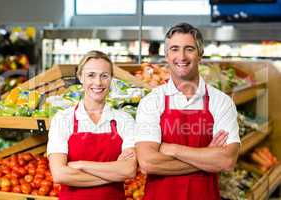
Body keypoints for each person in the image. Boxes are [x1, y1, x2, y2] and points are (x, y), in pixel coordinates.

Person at [135, 23, 240, 200]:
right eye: (174, 49)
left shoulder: (221, 101)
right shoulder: (151, 101)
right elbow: (147, 163)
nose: (181, 56)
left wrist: (173, 149)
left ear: (200, 54)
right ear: (167, 55)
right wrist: (206, 156)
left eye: (189, 49)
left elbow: (227, 161)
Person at [47, 50, 137, 200]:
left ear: (111, 79)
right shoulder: (63, 119)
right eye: (91, 75)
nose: (98, 82)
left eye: (104, 76)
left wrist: (81, 165)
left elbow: (129, 170)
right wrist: (114, 173)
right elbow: (60, 174)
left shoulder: (124, 120)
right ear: (80, 77)